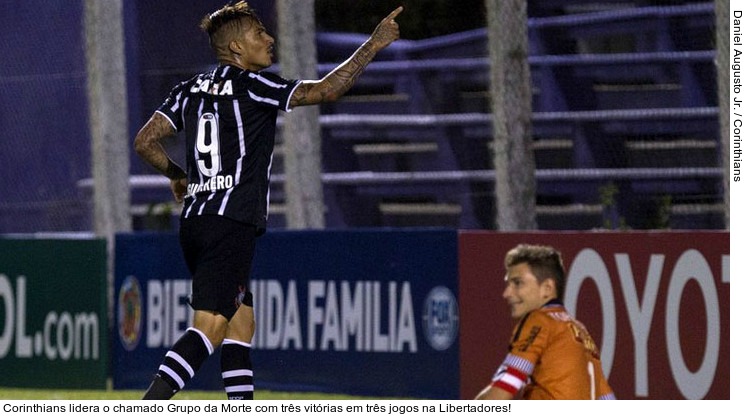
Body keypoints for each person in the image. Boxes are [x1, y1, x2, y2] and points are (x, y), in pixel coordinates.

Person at [133, 1, 403, 400]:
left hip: (196, 223)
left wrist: (178, 175)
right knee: (209, 326)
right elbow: (326, 89)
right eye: (259, 33)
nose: (269, 38)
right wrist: (374, 44)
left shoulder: (187, 90)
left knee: (240, 326)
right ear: (237, 48)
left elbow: (144, 141)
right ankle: (149, 405)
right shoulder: (254, 86)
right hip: (231, 224)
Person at [475, 244, 615, 400]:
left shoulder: (539, 320)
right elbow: (607, 401)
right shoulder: (581, 331)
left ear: (547, 288)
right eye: (508, 284)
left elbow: (504, 388)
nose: (507, 293)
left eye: (518, 283)